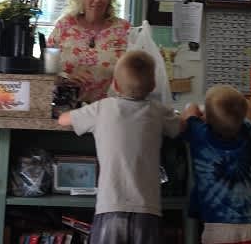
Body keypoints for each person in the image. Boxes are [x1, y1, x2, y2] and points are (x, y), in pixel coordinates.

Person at [58, 50, 181, 244]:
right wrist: (191, 113)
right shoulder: (158, 111)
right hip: (147, 211)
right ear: (153, 86)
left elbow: (63, 120)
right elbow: (179, 127)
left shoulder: (102, 108)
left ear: (115, 85)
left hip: (110, 208)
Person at [181, 86, 251, 244]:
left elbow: (189, 112)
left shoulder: (200, 135)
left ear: (207, 119)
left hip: (217, 232)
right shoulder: (246, 132)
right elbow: (242, 120)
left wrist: (198, 109)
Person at [48, 0, 131, 102]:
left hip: (110, 109)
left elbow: (136, 73)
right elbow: (46, 69)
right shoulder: (65, 25)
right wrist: (65, 77)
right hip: (68, 106)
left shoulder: (124, 29)